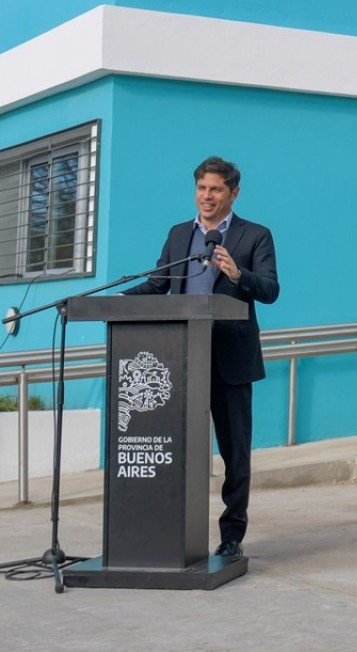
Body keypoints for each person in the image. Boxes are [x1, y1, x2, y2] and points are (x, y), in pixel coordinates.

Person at [124, 155, 279, 562]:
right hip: (181, 360)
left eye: (215, 189)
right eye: (201, 188)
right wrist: (118, 300)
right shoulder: (179, 234)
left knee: (234, 455)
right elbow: (159, 284)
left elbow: (270, 289)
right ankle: (174, 531)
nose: (206, 196)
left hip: (231, 360)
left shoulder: (255, 235)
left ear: (233, 193)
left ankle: (231, 537)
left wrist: (237, 275)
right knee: (178, 451)